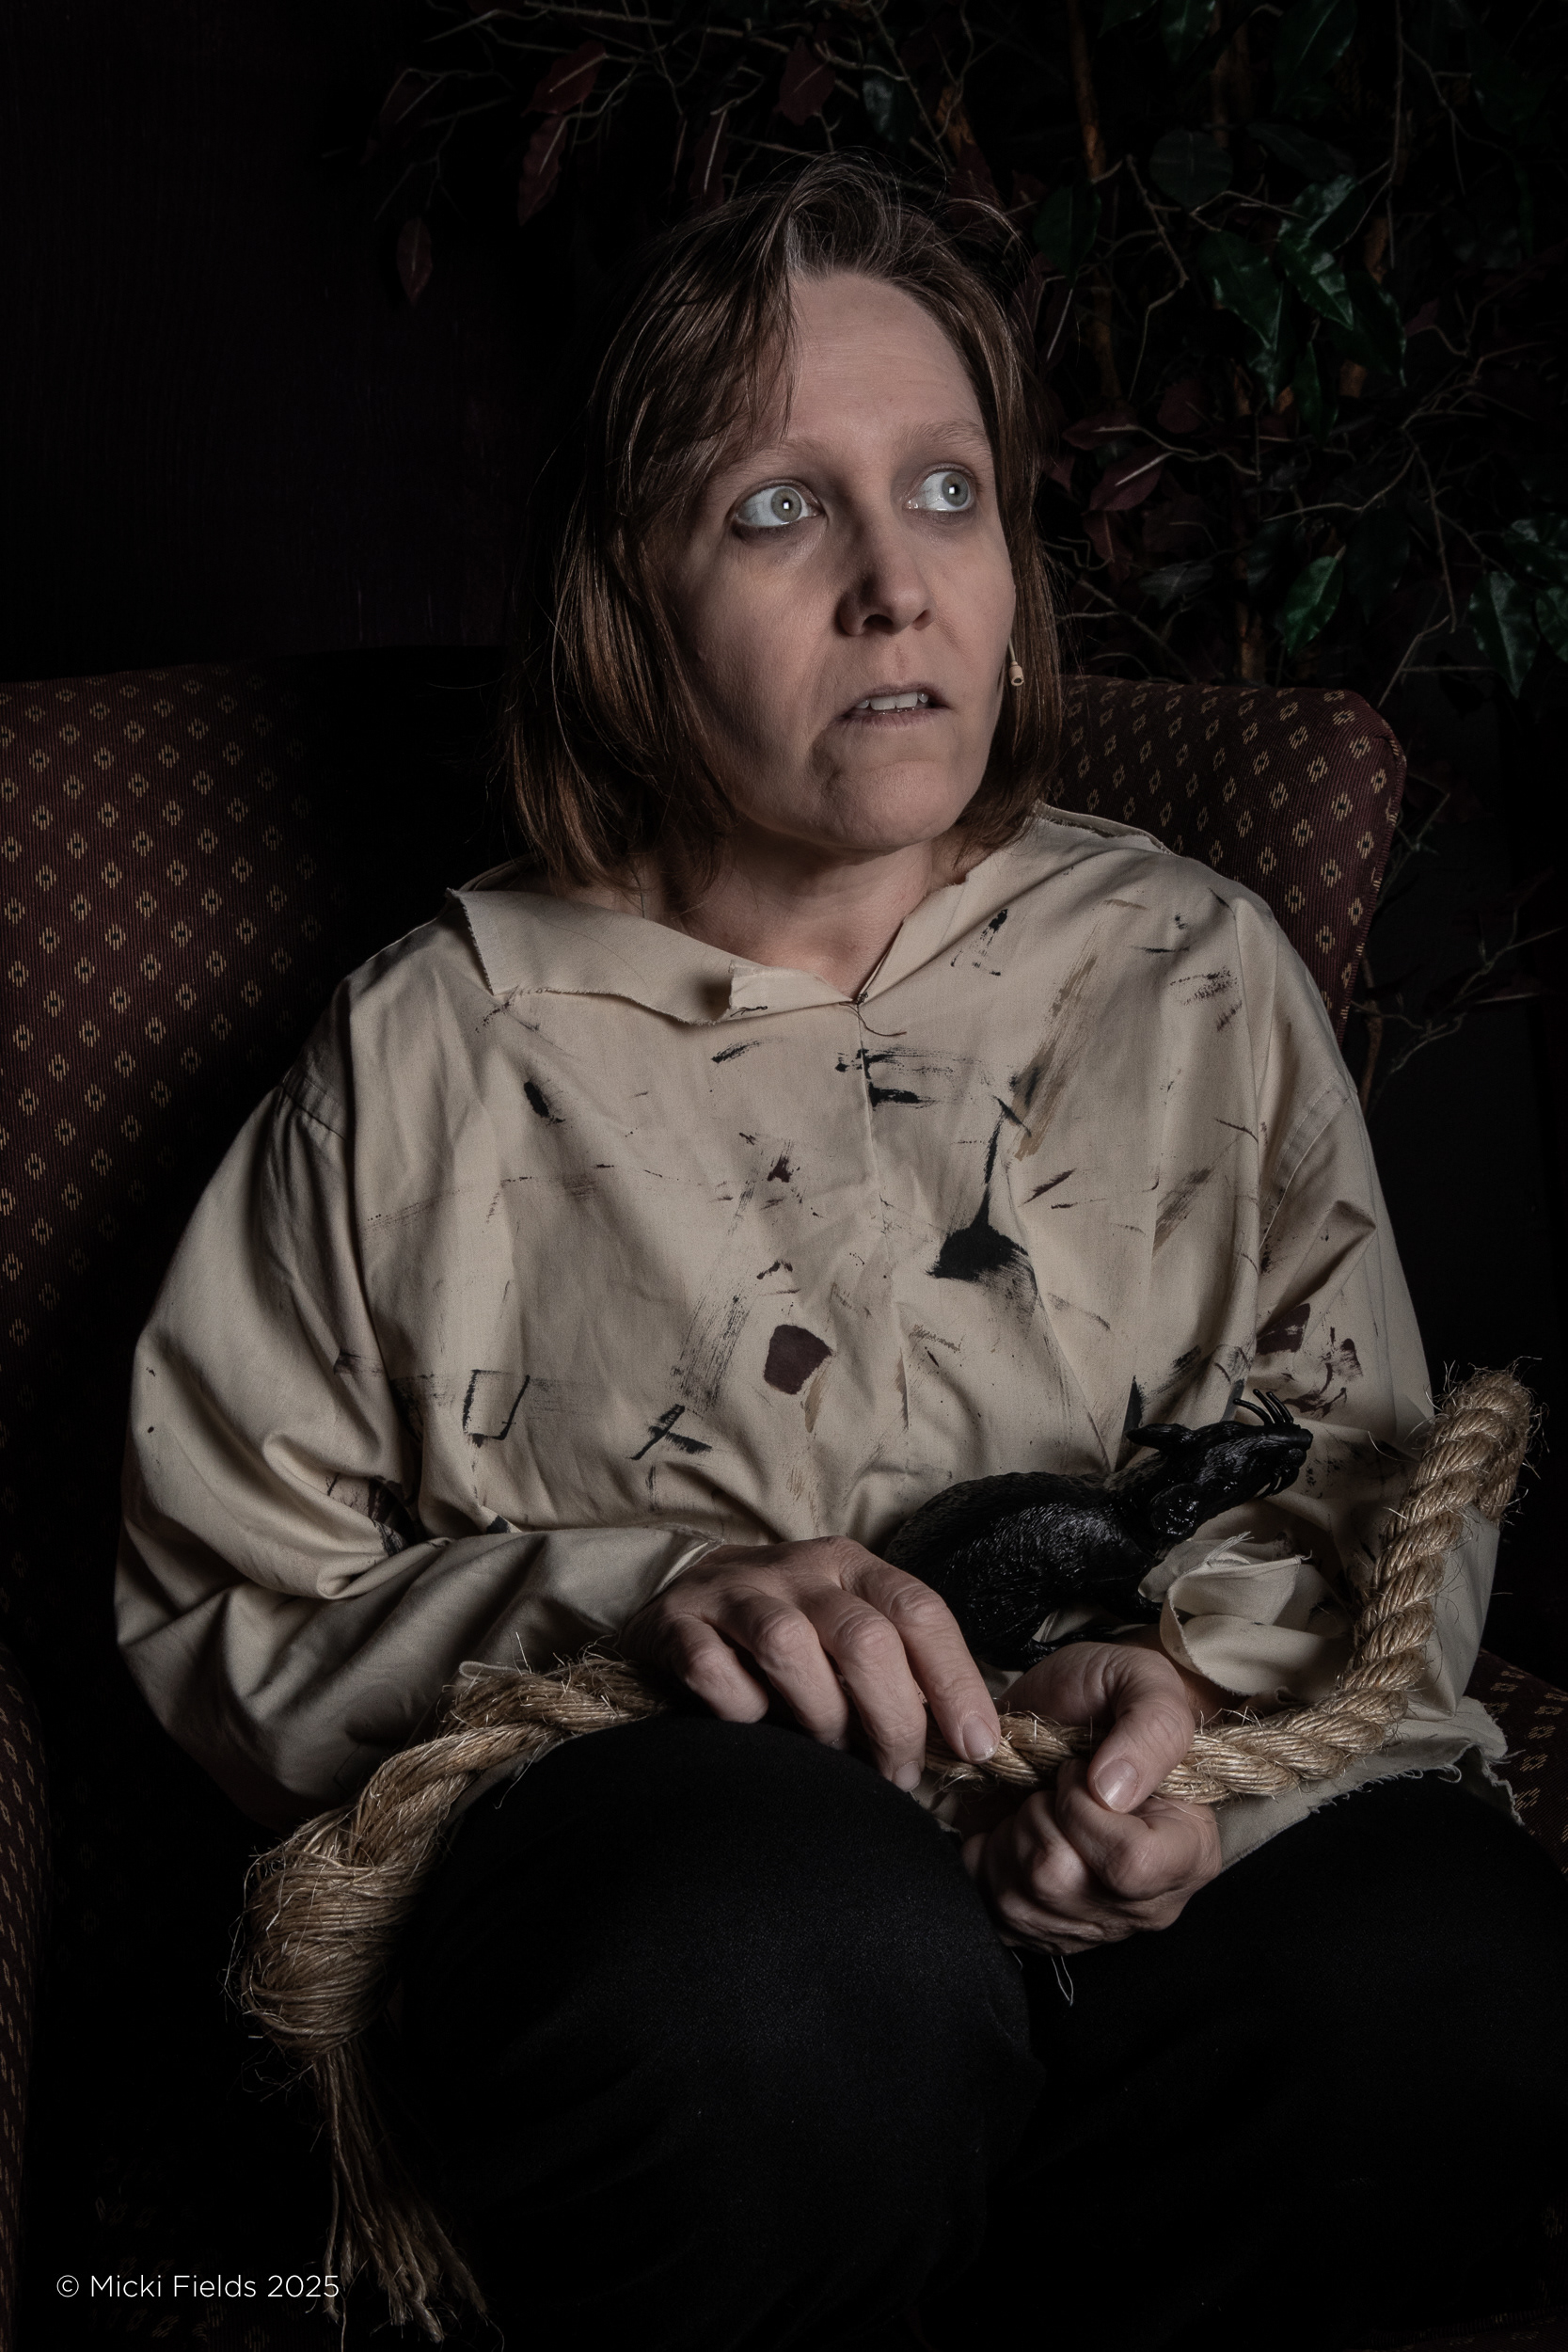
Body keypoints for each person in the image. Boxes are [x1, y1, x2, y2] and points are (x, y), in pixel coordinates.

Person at [118, 160, 1568, 2349]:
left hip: (1143, 1902)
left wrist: (1180, 1734)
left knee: (1451, 1977)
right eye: (779, 510)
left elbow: (1364, 1492)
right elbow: (224, 1594)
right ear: (626, 600)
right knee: (793, 1960)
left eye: (945, 490)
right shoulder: (439, 1044)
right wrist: (656, 1593)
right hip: (709, 1947)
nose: (897, 584)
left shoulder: (1190, 967)